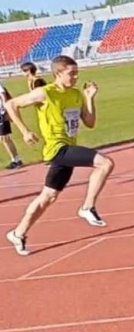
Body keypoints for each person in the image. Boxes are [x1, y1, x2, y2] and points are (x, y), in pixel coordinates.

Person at [4, 55, 113, 257]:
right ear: (58, 73)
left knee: (48, 196)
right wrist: (25, 131)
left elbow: (89, 122)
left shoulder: (76, 94)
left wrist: (89, 98)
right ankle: (87, 207)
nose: (76, 77)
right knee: (105, 163)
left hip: (68, 148)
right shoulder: (45, 93)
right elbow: (11, 105)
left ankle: (18, 233)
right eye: (71, 73)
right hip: (57, 149)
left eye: (77, 73)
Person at [0, 79, 24, 170]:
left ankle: (16, 160)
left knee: (5, 138)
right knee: (4, 138)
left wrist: (6, 110)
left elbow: (3, 94)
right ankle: (15, 159)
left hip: (2, 113)